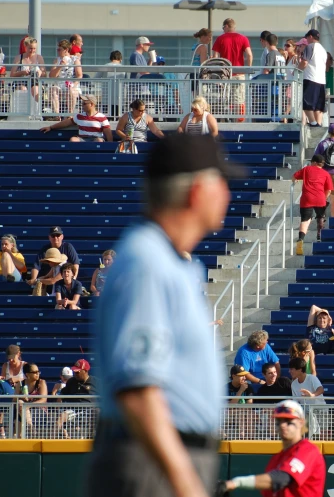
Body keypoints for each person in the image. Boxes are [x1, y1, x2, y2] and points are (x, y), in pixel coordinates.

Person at [88, 135, 244, 497]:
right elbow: (138, 391)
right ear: (196, 192)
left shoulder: (166, 259)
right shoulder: (148, 261)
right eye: (221, 183)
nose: (229, 194)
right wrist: (185, 482)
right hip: (152, 463)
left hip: (163, 458)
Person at [219, 400, 326, 496]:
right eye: (279, 421)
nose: (283, 425)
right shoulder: (277, 458)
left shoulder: (308, 450)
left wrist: (235, 483)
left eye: (288, 421)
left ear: (301, 422)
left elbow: (281, 478)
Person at [212, 19, 253, 122]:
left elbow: (215, 57)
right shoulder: (243, 38)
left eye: (223, 28)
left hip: (224, 75)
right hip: (239, 74)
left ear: (226, 26)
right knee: (238, 101)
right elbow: (249, 54)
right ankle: (238, 124)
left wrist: (216, 71)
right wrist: (247, 69)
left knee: (222, 100)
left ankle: (222, 122)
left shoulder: (220, 39)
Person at [292, 154, 333, 256]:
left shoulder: (307, 169)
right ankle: (319, 236)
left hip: (307, 198)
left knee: (305, 220)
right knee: (321, 217)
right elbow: (329, 190)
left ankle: (301, 239)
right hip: (320, 198)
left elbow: (294, 176)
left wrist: (295, 180)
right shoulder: (326, 173)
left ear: (314, 162)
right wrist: (324, 197)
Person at [40, 94, 113, 142]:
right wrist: (51, 127)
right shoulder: (79, 116)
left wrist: (110, 147)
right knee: (73, 140)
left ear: (92, 104)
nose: (82, 105)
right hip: (82, 138)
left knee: (99, 141)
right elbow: (66, 123)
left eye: (84, 104)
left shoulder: (102, 117)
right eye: (82, 104)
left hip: (95, 138)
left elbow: (108, 133)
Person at [299, 29, 328, 128]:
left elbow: (304, 62)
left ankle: (313, 123)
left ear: (311, 36)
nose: (306, 39)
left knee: (306, 102)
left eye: (307, 37)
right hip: (321, 79)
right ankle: (318, 124)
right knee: (318, 106)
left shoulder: (310, 47)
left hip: (310, 77)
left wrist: (297, 70)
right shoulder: (323, 49)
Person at [48, 39, 83, 115]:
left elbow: (79, 75)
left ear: (66, 50)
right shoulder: (56, 60)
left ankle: (70, 114)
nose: (58, 51)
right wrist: (60, 66)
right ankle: (56, 115)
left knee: (70, 90)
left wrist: (74, 85)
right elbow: (51, 76)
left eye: (59, 50)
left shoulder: (74, 60)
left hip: (72, 84)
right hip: (59, 85)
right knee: (53, 90)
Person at [9, 36, 45, 101]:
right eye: (30, 48)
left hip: (35, 81)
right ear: (25, 47)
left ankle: (39, 108)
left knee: (36, 89)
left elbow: (44, 74)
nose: (32, 51)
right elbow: (12, 74)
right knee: (22, 89)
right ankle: (23, 110)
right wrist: (22, 72)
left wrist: (40, 72)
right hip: (21, 81)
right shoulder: (19, 58)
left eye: (34, 48)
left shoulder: (39, 58)